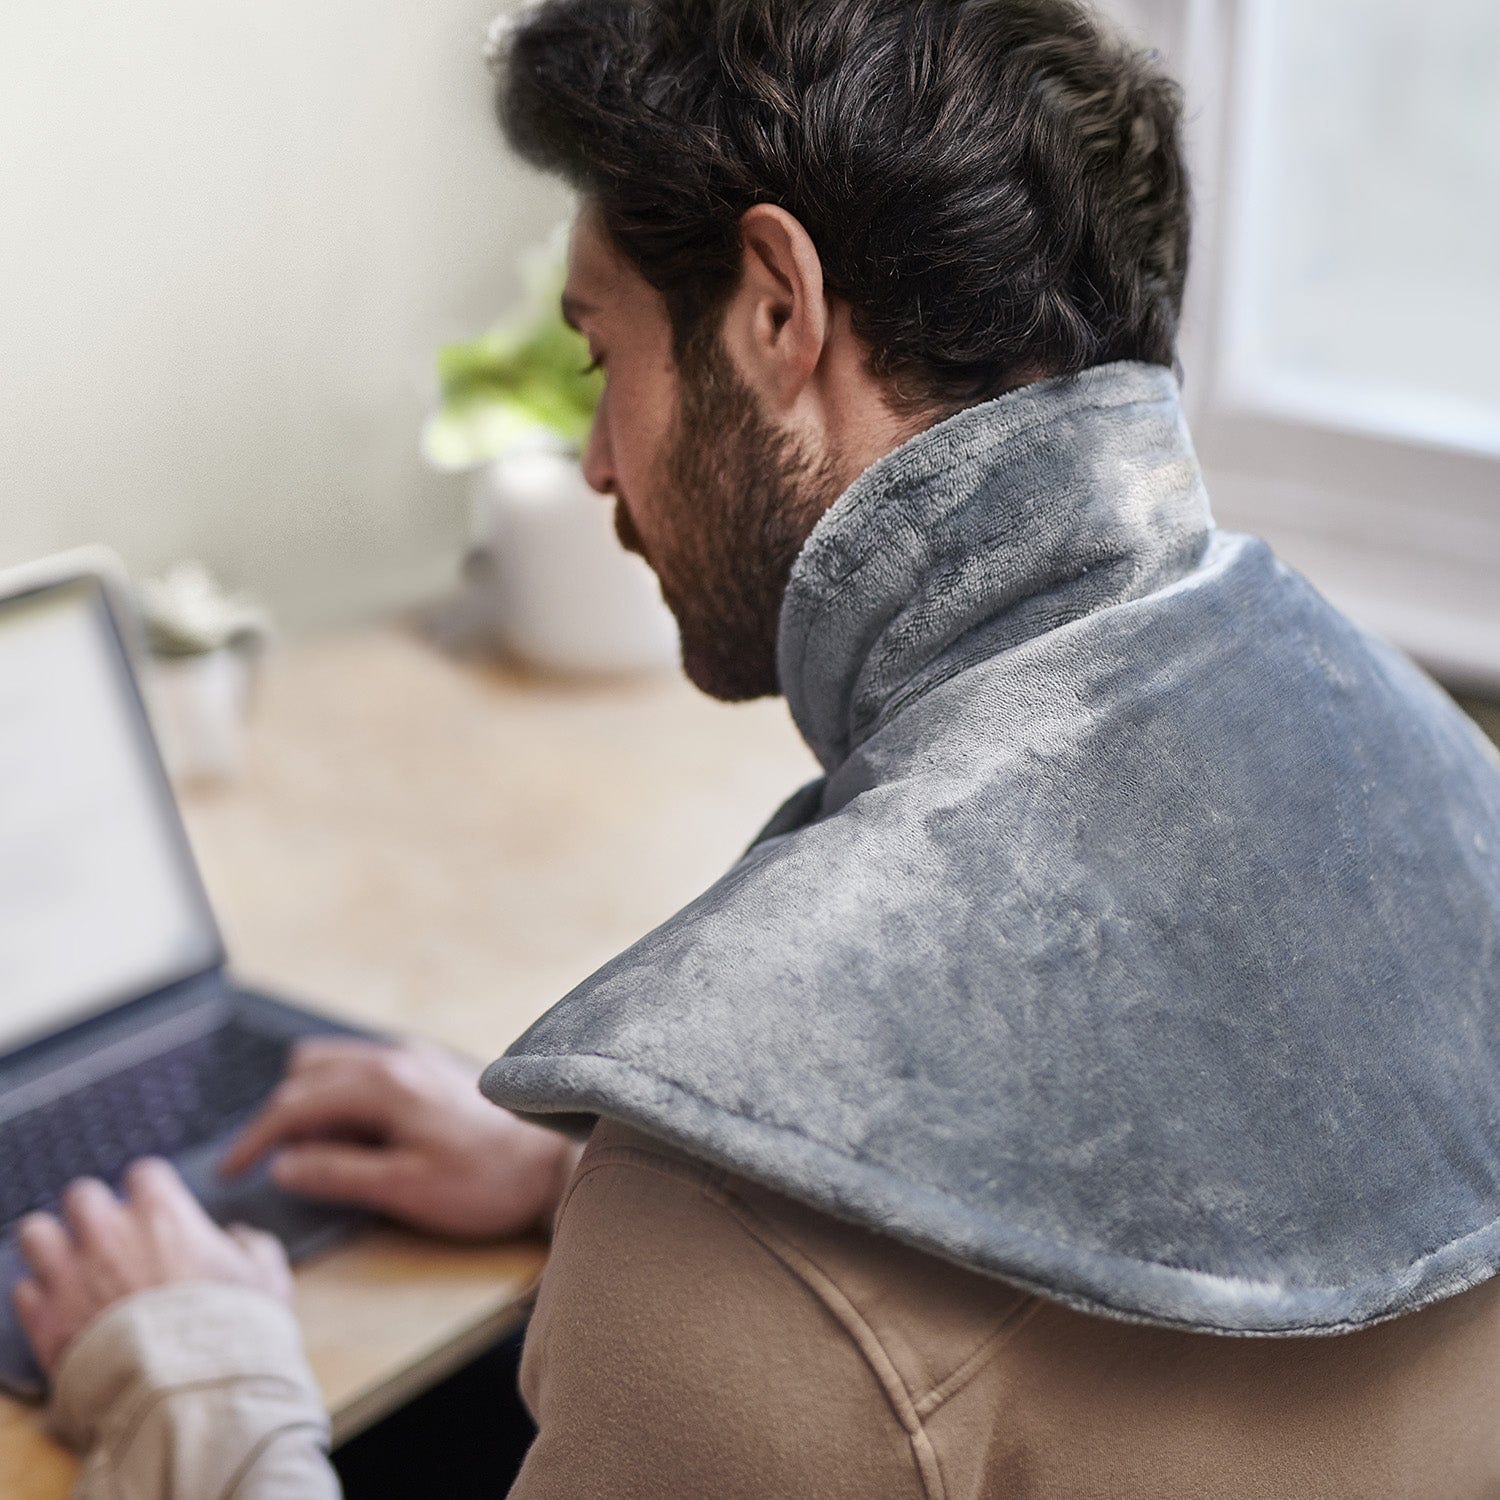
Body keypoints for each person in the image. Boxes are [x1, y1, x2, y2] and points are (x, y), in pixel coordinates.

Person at [15, 0, 1500, 1494]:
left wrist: (195, 1379)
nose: (596, 458)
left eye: (601, 358)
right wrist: (576, 1178)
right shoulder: (1443, 777)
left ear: (776, 310)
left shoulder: (730, 1247)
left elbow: (830, 1331)